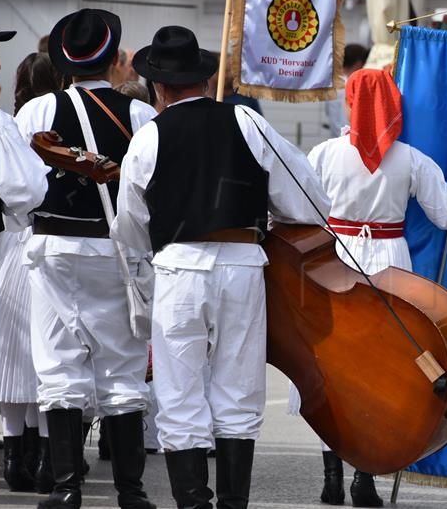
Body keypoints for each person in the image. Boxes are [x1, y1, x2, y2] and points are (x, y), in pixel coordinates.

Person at [111, 25, 330, 509]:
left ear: (159, 89)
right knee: (238, 389)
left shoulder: (149, 137)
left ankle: (193, 504)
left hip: (179, 269)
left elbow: (129, 224)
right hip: (242, 265)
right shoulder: (249, 124)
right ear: (206, 81)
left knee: (179, 390)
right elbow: (311, 200)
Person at [303, 68, 447, 506]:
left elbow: (298, 212)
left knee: (329, 365)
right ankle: (364, 479)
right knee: (379, 371)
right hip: (389, 265)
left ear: (350, 102)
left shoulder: (324, 154)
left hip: (335, 263)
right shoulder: (411, 158)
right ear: (393, 106)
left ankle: (331, 477)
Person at [14, 9, 157, 509]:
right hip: (115, 249)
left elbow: (19, 185)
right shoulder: (140, 114)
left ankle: (67, 487)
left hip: (54, 247)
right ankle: (131, 491)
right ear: (114, 57)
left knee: (58, 365)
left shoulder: (35, 112)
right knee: (121, 366)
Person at [0, 49, 63, 494]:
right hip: (19, 236)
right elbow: (27, 191)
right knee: (38, 354)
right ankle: (41, 455)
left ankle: (18, 453)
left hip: (5, 240)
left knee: (11, 355)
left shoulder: (9, 119)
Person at [324, 44, 368, 138]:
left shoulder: (332, 83)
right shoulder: (356, 84)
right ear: (359, 63)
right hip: (351, 139)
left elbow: (328, 112)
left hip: (336, 138)